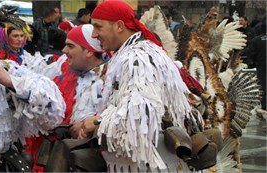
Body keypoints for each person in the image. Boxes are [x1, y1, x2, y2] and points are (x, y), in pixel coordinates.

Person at [82, 1, 193, 172]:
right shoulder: (133, 53)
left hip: (149, 166)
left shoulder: (137, 58)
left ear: (119, 26)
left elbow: (138, 117)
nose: (94, 34)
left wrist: (96, 123)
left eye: (98, 27)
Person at [25, 24, 109, 172]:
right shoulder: (60, 67)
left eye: (70, 46)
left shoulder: (110, 77)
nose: (64, 51)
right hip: (49, 154)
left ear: (89, 51)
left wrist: (92, 123)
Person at [0, 24, 65, 172]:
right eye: (15, 36)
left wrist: (13, 83)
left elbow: (55, 114)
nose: (19, 39)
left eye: (21, 36)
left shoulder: (10, 71)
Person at [247, 16, 266, 112]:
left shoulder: (256, 40)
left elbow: (250, 54)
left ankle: (265, 106)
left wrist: (252, 63)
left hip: (262, 66)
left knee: (263, 87)